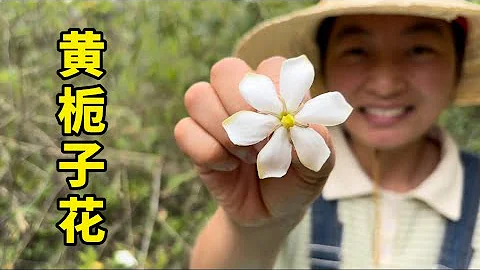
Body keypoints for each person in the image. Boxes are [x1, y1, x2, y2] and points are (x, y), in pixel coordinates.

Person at [174, 0, 480, 268]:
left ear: (457, 67)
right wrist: (251, 228)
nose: (385, 85)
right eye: (357, 51)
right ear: (323, 66)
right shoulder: (286, 178)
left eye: (419, 50)